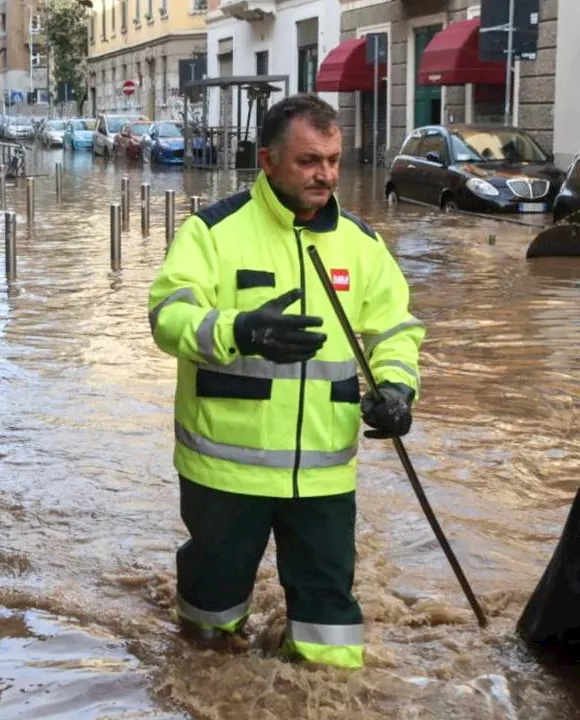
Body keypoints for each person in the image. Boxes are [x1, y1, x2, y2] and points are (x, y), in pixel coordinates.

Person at [146, 94, 424, 670]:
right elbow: (168, 317)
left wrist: (397, 389)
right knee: (209, 625)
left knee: (330, 633)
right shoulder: (213, 232)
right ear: (267, 161)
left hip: (324, 474)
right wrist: (240, 330)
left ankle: (325, 702)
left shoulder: (363, 244)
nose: (325, 174)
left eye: (333, 159)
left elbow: (395, 329)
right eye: (308, 161)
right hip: (225, 471)